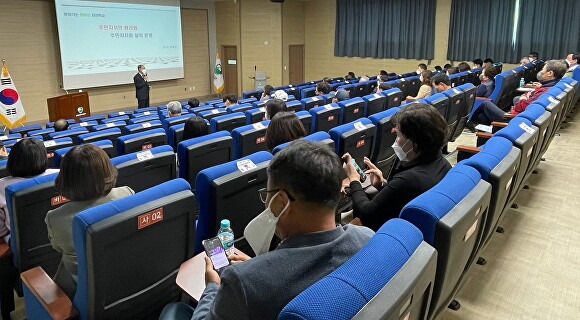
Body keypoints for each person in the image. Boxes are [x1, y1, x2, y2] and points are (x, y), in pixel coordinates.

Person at [159, 140, 374, 320]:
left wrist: (213, 287)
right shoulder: (366, 239)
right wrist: (257, 266)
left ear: (281, 202)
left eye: (267, 194)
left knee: (172, 311)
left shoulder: (242, 283)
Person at [343, 103, 451, 231]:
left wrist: (353, 179)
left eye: (399, 135)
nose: (396, 141)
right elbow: (400, 196)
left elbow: (366, 213)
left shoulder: (410, 179)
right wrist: (382, 185)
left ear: (414, 141)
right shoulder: (443, 164)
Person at [45, 144, 134, 299]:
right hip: (126, 279)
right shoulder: (127, 193)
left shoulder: (56, 218)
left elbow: (57, 247)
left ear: (65, 179)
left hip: (82, 293)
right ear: (107, 170)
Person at [471, 60, 567, 125]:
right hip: (518, 116)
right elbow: (527, 99)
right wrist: (527, 96)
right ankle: (482, 130)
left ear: (550, 73)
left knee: (485, 104)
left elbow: (520, 106)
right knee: (481, 116)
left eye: (543, 69)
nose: (541, 71)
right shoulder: (550, 86)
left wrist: (524, 98)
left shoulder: (546, 90)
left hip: (514, 119)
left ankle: (471, 124)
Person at [0, 138, 59, 243]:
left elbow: (1, 228)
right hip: (58, 237)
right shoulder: (60, 175)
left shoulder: (2, 185)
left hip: (22, 244)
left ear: (12, 160)